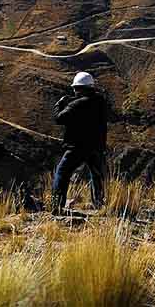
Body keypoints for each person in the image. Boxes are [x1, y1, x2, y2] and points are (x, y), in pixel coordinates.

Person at [51, 71, 108, 214]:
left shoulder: (77, 104)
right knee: (96, 175)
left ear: (79, 88)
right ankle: (99, 203)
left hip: (77, 146)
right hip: (97, 145)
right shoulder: (100, 101)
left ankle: (57, 206)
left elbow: (59, 118)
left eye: (75, 88)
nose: (74, 91)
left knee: (62, 172)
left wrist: (60, 105)